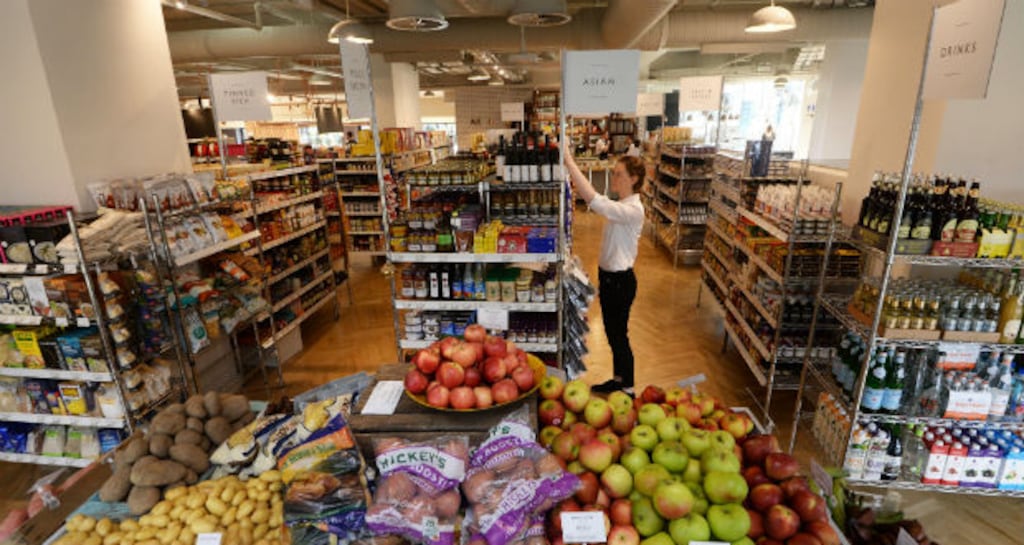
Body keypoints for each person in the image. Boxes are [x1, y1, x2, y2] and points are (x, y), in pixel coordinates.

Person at [563, 142, 645, 394]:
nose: (614, 178)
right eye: (614, 173)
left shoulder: (632, 210)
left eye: (619, 174)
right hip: (611, 279)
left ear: (634, 179)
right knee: (612, 334)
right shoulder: (622, 205)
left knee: (619, 336)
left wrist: (569, 160)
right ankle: (619, 379)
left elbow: (593, 200)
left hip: (620, 281)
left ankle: (628, 388)